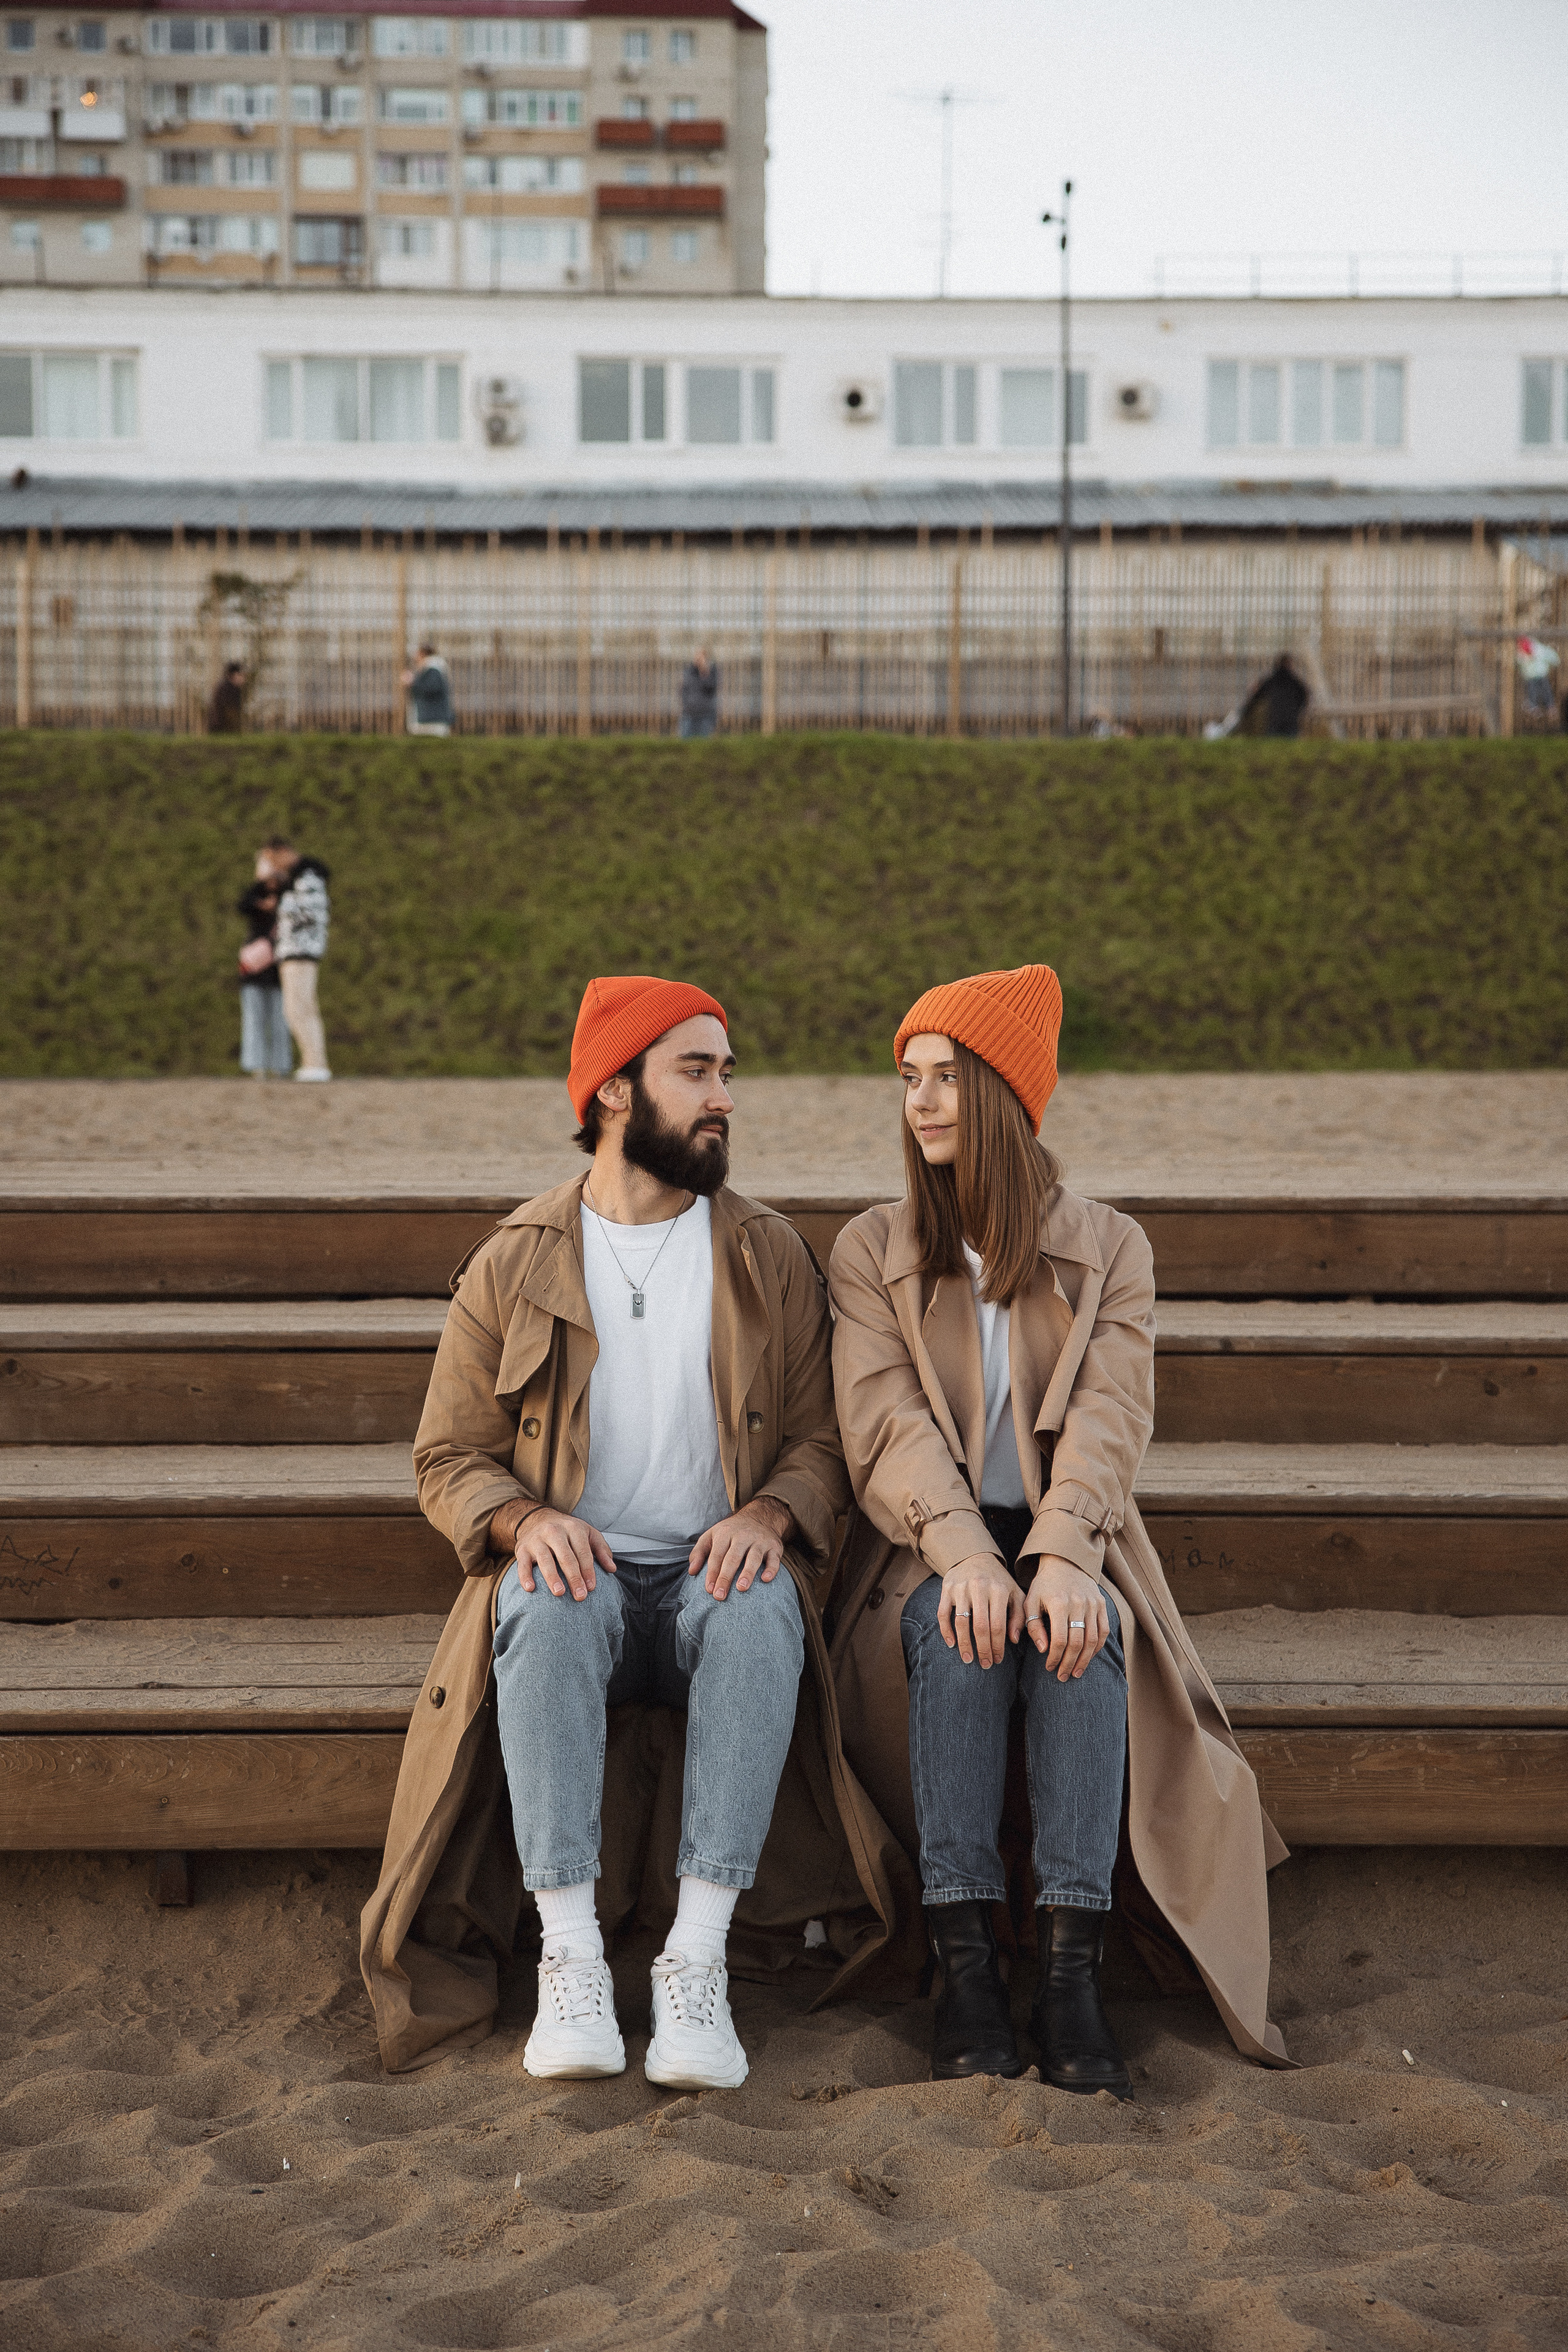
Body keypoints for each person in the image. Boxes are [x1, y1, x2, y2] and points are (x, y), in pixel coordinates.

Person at [361, 975, 859, 2087]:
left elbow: (825, 1446)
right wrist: (523, 1518)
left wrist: (771, 1514)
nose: (722, 1095)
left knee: (757, 1603)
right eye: (696, 1071)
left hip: (702, 1588)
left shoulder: (768, 1256)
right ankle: (572, 1958)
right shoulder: (515, 1259)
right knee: (541, 1599)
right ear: (616, 1090)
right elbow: (448, 1456)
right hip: (578, 1590)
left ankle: (696, 1963)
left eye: (727, 1071)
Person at [828, 964, 1290, 2094]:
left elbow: (1110, 1416)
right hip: (918, 1550)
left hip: (1071, 1533)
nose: (922, 1101)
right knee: (961, 1622)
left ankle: (1072, 1978)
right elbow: (882, 1426)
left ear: (1006, 1095)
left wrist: (1065, 1552)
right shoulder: (871, 1249)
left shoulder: (1109, 1248)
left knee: (1083, 1637)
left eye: (946, 1078)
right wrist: (970, 1554)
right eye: (910, 1079)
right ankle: (969, 1967)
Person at [264, 837, 332, 1083]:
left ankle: (316, 1064)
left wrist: (280, 899)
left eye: (273, 859)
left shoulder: (308, 876)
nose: (273, 865)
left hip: (301, 951)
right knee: (300, 1008)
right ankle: (313, 1063)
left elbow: (310, 911)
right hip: (297, 950)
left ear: (283, 852)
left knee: (299, 1008)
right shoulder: (300, 876)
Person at [235, 855, 290, 1080]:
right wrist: (261, 900)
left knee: (281, 1020)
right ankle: (257, 1066)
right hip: (254, 968)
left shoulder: (288, 895)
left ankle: (280, 1066)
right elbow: (242, 905)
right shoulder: (255, 894)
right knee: (254, 1019)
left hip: (279, 968)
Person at [403, 642, 454, 736]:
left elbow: (432, 688)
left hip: (433, 722)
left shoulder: (433, 669)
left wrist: (412, 682)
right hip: (430, 719)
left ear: (422, 654)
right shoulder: (429, 669)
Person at [1515, 635, 1561, 720]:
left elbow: (1550, 655)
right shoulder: (1521, 654)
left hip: (1541, 675)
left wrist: (1556, 661)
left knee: (1546, 690)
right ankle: (1533, 706)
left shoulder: (1540, 650)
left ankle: (1550, 706)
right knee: (1532, 691)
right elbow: (1520, 664)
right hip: (1530, 677)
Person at [679, 646, 718, 739]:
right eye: (697, 656)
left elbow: (711, 688)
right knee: (685, 743)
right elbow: (683, 690)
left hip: (705, 714)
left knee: (703, 745)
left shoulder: (712, 672)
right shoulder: (688, 672)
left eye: (701, 657)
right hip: (689, 713)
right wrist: (685, 704)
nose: (698, 659)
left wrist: (704, 672)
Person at [208, 660, 246, 734]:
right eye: (241, 675)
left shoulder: (226, 687)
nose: (244, 678)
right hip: (221, 729)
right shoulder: (228, 689)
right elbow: (230, 713)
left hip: (219, 727)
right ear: (234, 675)